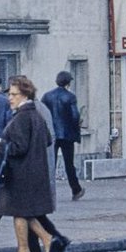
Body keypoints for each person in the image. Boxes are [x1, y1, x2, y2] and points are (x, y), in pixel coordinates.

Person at [0, 75, 57, 252]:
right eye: (10, 94)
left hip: (22, 173)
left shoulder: (21, 117)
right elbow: (47, 139)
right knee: (22, 213)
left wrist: (0, 144)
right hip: (36, 171)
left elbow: (19, 148)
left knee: (20, 212)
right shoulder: (36, 115)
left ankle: (34, 246)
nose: (10, 98)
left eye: (14, 94)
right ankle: (29, 248)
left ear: (24, 95)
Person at [25, 95, 71, 252]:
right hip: (41, 169)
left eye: (13, 94)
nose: (10, 98)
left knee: (29, 212)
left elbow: (31, 143)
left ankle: (48, 244)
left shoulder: (33, 112)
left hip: (34, 170)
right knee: (34, 213)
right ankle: (43, 248)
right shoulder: (41, 109)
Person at [41, 71, 85, 201]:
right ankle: (75, 189)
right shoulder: (70, 97)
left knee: (50, 164)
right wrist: (76, 129)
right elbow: (75, 116)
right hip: (66, 135)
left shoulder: (47, 96)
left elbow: (42, 113)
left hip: (51, 134)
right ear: (68, 82)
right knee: (69, 163)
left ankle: (46, 191)